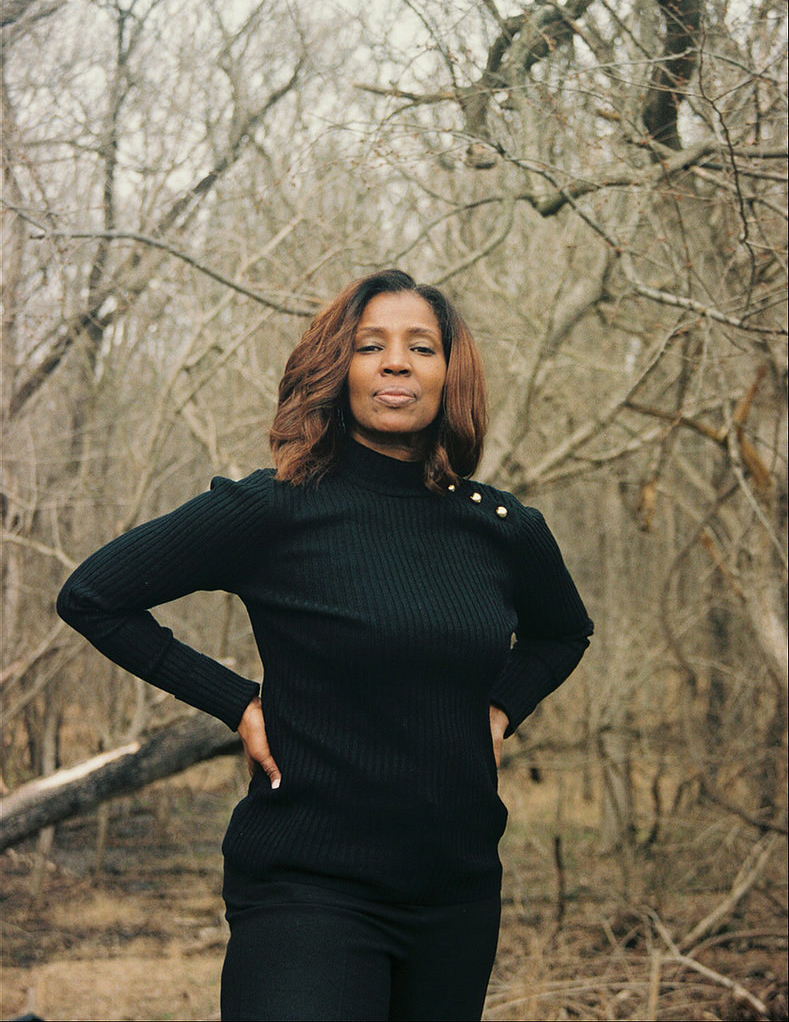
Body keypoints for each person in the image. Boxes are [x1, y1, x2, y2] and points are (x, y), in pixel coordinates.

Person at [57, 268, 593, 1022]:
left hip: (456, 892)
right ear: (338, 371)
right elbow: (93, 596)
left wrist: (502, 709)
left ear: (450, 374)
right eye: (371, 346)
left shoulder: (502, 528)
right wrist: (236, 703)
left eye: (421, 347)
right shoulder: (275, 508)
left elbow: (563, 632)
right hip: (305, 889)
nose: (396, 362)